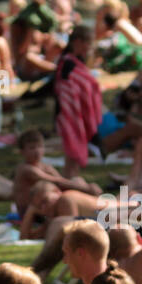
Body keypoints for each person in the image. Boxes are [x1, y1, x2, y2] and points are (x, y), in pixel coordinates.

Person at [55, 26, 103, 178]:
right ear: (77, 42)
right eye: (88, 43)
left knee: (74, 153)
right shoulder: (67, 63)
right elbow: (65, 88)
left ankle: (71, 181)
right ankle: (69, 183)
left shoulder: (76, 61)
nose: (89, 47)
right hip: (68, 112)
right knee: (72, 152)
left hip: (77, 112)